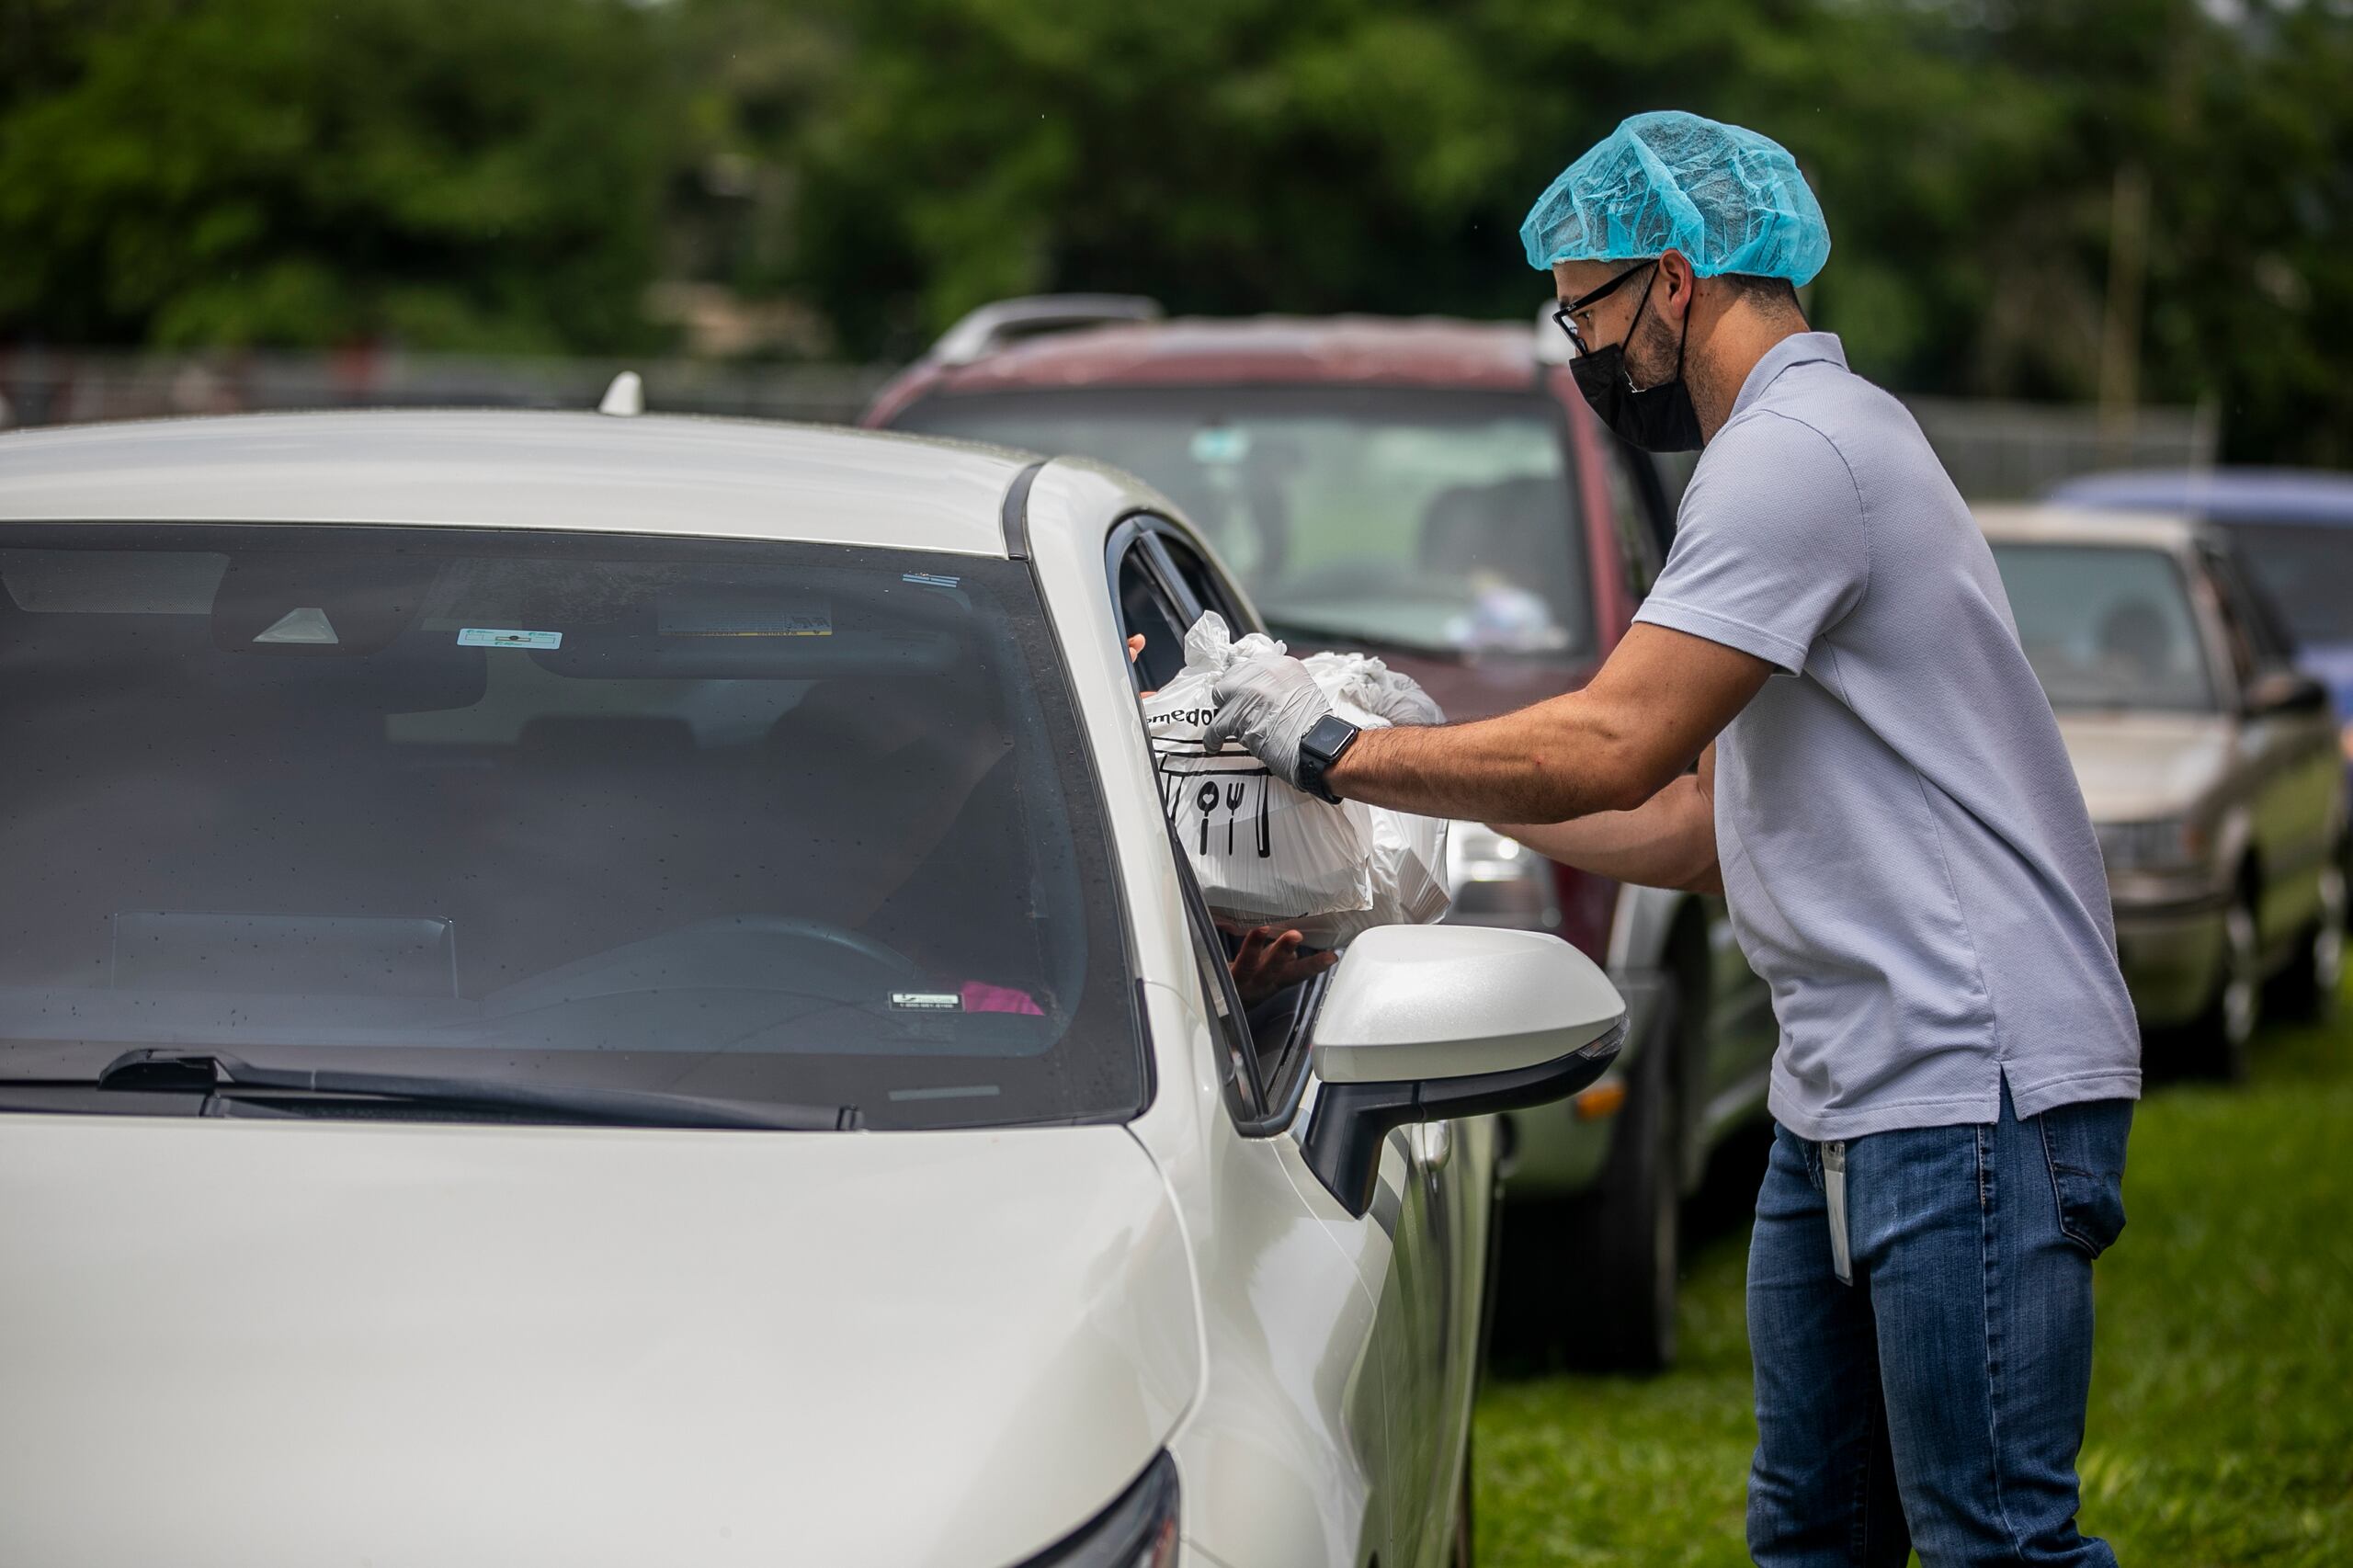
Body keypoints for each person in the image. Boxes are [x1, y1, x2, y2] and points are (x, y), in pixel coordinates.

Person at [1206, 110, 2139, 1568]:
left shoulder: (1797, 455)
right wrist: (1400, 845)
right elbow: (1705, 818)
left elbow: (1610, 741)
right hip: (1849, 1084)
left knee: (1995, 1543)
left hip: (1972, 1083)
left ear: (1678, 281)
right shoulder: (1808, 449)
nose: (1586, 352)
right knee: (1813, 1531)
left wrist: (1328, 746)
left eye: (1587, 308)